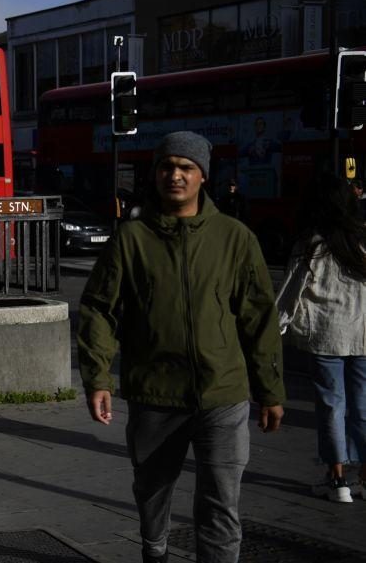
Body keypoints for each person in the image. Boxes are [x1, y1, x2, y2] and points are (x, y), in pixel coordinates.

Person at [78, 131, 285, 563]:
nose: (176, 175)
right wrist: (97, 377)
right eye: (167, 166)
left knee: (221, 501)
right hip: (156, 392)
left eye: (186, 168)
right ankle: (155, 550)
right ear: (155, 174)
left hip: (222, 394)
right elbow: (100, 309)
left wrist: (270, 389)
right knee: (152, 490)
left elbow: (259, 318)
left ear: (202, 176)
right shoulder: (131, 240)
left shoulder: (235, 238)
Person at [276, 172, 366, 503]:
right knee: (363, 407)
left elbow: (290, 294)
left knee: (332, 405)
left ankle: (337, 479)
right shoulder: (362, 238)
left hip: (328, 336)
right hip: (364, 335)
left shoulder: (312, 244)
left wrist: (275, 329)